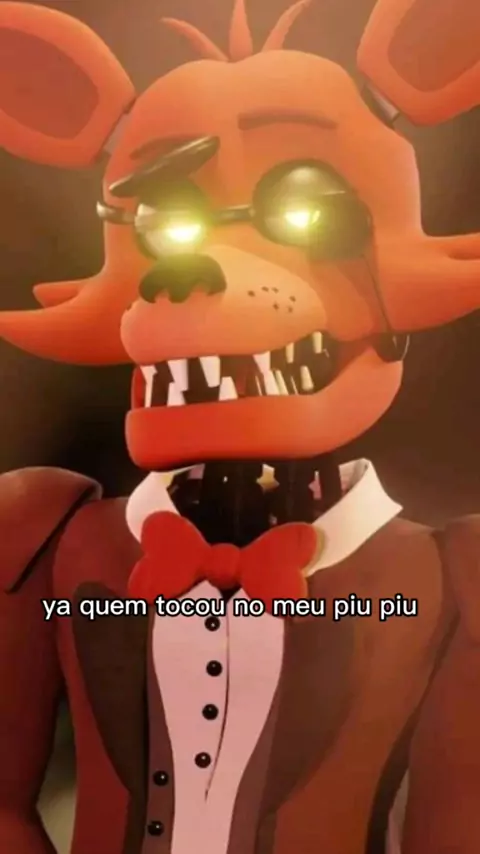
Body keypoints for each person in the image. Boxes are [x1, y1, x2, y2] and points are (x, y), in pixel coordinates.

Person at [0, 1, 479, 852]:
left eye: (305, 207)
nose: (192, 272)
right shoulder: (42, 543)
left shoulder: (451, 583)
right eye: (161, 220)